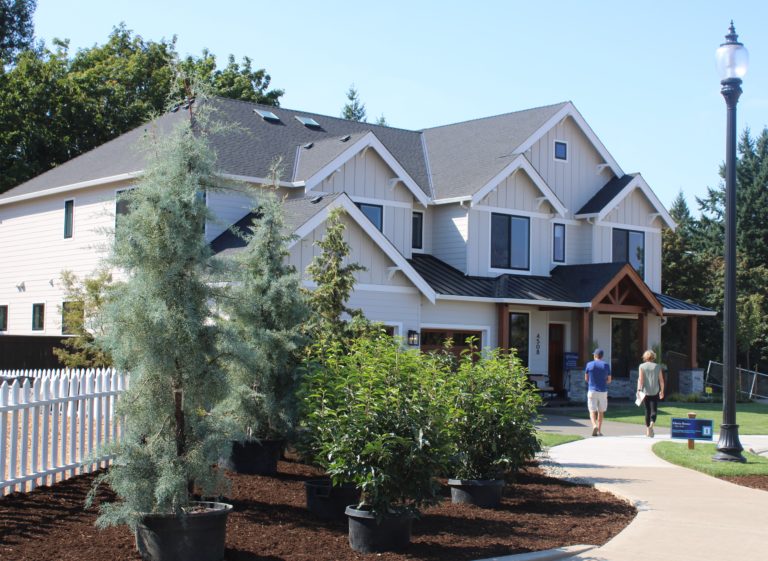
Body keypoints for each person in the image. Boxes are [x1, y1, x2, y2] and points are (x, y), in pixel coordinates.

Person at [637, 349, 665, 437]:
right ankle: (651, 425)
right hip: (655, 391)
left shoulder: (642, 366)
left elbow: (641, 380)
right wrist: (662, 391)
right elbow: (661, 380)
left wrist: (638, 390)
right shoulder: (657, 366)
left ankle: (647, 430)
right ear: (653, 357)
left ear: (645, 357)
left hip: (645, 391)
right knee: (654, 410)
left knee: (647, 410)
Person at [584, 348, 611, 436]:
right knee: (601, 411)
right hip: (603, 391)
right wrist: (604, 382)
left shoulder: (589, 364)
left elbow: (586, 378)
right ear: (602, 356)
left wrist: (592, 383)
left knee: (592, 411)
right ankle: (599, 430)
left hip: (592, 390)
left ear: (595, 355)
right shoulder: (606, 365)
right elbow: (609, 380)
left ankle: (594, 425)